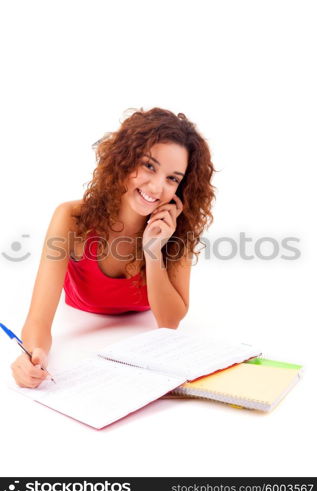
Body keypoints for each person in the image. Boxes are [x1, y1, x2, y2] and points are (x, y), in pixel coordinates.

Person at [11, 107, 216, 388]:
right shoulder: (72, 218)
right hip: (80, 322)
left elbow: (169, 322)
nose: (156, 188)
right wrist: (34, 355)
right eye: (149, 166)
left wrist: (153, 251)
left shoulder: (176, 229)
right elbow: (38, 319)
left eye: (172, 178)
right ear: (124, 159)